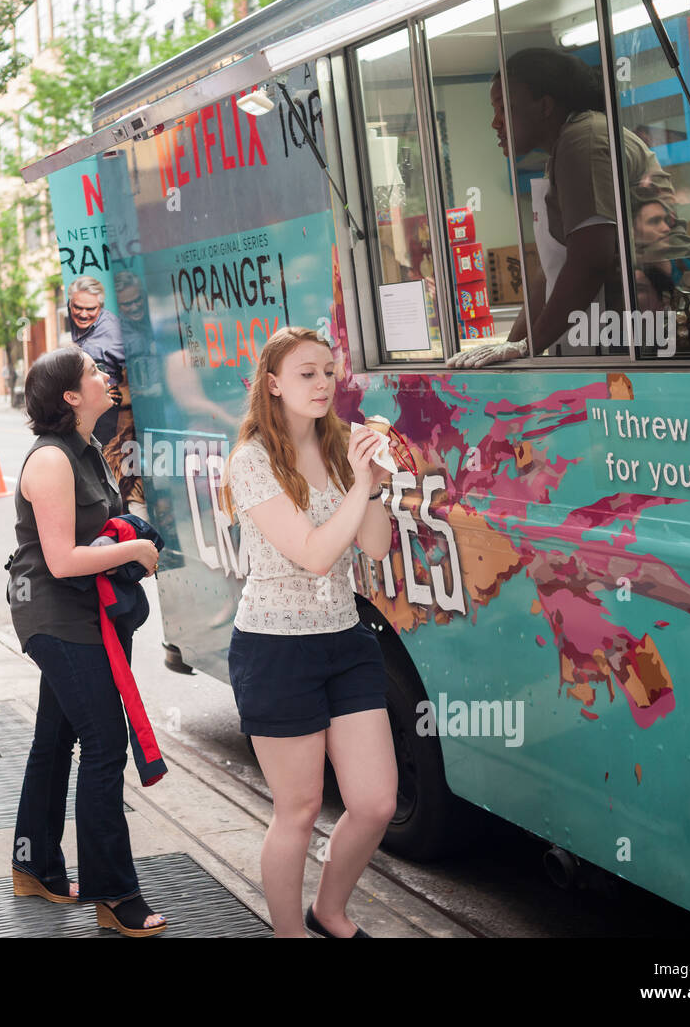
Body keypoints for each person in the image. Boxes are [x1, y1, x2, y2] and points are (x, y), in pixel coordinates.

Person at [222, 327, 396, 938]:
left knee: (375, 802)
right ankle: (289, 932)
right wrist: (361, 486)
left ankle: (329, 911)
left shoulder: (342, 443)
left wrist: (369, 477)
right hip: (275, 649)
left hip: (345, 639)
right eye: (306, 374)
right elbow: (315, 554)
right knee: (297, 811)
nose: (324, 384)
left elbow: (374, 544)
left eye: (329, 372)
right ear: (273, 384)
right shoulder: (251, 461)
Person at [7, 346, 167, 937]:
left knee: (57, 735)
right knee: (104, 744)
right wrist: (134, 550)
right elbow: (61, 558)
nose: (105, 377)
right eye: (94, 374)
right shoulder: (50, 460)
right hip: (54, 613)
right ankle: (114, 893)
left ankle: (35, 863)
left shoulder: (88, 445)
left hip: (82, 609)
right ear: (72, 397)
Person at [450, 48, 690, 367]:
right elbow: (549, 274)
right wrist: (513, 350)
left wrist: (527, 347)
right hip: (613, 330)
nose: (495, 122)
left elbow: (590, 260)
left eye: (504, 108)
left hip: (647, 330)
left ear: (545, 106)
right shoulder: (566, 146)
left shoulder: (584, 140)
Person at [64, 277, 125, 448]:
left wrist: (119, 391)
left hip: (105, 413)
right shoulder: (73, 324)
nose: (83, 314)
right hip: (81, 409)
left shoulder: (112, 331)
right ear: (70, 304)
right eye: (78, 307)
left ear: (101, 307)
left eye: (90, 309)